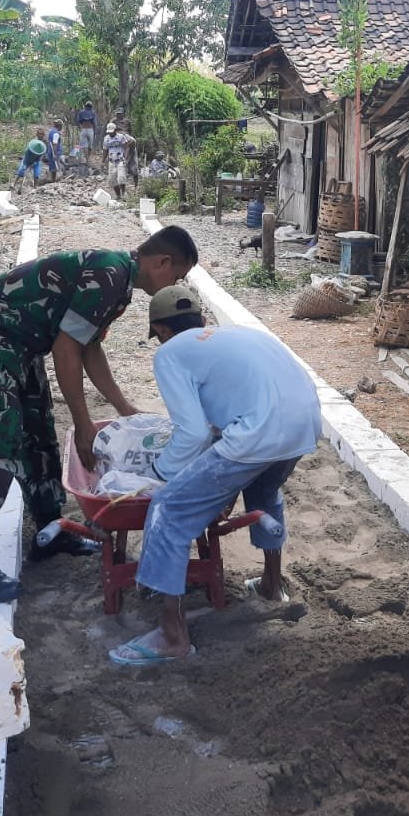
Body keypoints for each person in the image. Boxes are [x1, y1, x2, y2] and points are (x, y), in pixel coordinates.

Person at [0, 225, 201, 602]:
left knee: (40, 436)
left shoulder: (119, 284)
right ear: (162, 261)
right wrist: (83, 424)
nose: (173, 283)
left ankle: (50, 531)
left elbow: (89, 348)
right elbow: (65, 350)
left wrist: (123, 407)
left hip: (21, 348)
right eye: (176, 275)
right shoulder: (110, 275)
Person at [107, 284, 321, 666]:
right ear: (202, 319)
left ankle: (172, 637)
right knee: (263, 490)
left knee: (168, 512)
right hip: (304, 426)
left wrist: (161, 474)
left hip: (258, 433)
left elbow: (191, 432)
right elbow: (222, 416)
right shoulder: (242, 334)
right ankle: (272, 585)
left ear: (161, 331)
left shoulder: (170, 352)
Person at [103, 120, 135, 202]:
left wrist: (126, 158)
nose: (110, 133)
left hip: (120, 160)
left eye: (112, 132)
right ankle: (118, 196)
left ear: (115, 130)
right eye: (109, 132)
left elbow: (126, 147)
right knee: (112, 180)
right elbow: (105, 150)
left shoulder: (121, 137)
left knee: (121, 177)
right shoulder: (106, 139)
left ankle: (123, 194)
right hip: (111, 161)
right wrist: (103, 161)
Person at [76, 100, 97, 167]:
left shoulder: (81, 112)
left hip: (84, 129)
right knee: (89, 145)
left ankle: (86, 159)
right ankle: (87, 159)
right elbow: (95, 123)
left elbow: (78, 121)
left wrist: (80, 128)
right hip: (90, 129)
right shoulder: (93, 113)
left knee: (85, 146)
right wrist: (95, 131)